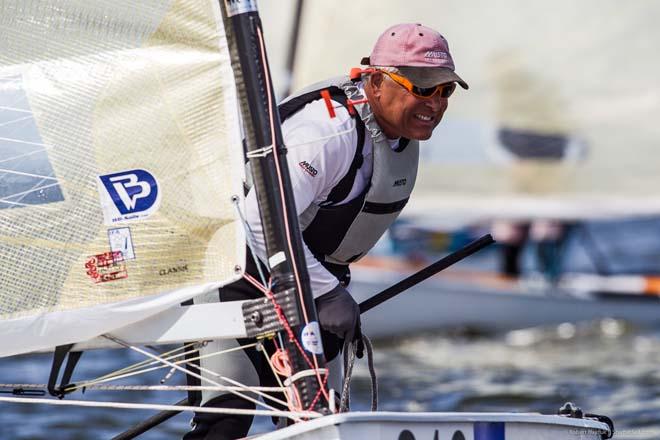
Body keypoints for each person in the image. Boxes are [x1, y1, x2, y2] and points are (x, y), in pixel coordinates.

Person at [184, 23, 468, 439]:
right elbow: (262, 219)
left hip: (307, 287)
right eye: (422, 88)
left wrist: (324, 290)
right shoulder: (325, 133)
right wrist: (327, 292)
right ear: (375, 80)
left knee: (316, 427)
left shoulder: (398, 131)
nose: (436, 102)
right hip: (238, 278)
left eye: (445, 90)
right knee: (224, 426)